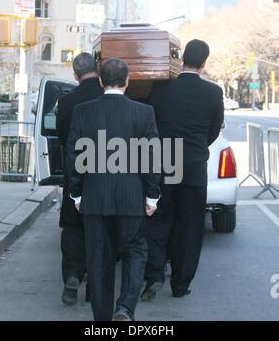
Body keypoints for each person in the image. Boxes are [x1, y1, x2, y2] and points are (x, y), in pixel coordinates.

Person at [67, 58, 161, 321]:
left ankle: (102, 320)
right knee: (136, 250)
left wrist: (77, 193)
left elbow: (74, 157)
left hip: (95, 198)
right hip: (132, 198)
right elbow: (152, 158)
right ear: (127, 81)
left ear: (100, 81)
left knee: (98, 260)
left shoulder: (83, 111)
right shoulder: (144, 113)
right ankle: (125, 307)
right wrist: (152, 195)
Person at [141, 39, 224, 301]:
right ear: (204, 63)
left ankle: (154, 276)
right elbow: (213, 130)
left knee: (159, 220)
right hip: (195, 167)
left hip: (166, 162)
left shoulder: (162, 89)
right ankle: (180, 283)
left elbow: (151, 124)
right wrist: (196, 147)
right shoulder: (214, 93)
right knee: (190, 226)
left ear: (182, 59)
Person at [56, 53, 103, 305]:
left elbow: (64, 140)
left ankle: (73, 274)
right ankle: (95, 288)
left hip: (75, 173)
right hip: (107, 175)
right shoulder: (109, 97)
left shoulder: (66, 102)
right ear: (98, 68)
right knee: (99, 232)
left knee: (73, 227)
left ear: (75, 75)